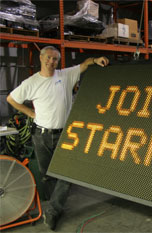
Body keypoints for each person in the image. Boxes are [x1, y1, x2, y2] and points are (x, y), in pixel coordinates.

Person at [7, 46, 109, 231]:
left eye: (55, 59)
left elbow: (84, 64)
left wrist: (95, 60)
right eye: (48, 58)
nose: (51, 62)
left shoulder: (66, 75)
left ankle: (53, 210)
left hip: (65, 134)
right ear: (41, 57)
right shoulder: (31, 82)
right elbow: (11, 99)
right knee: (47, 176)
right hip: (42, 136)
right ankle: (55, 203)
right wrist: (30, 112)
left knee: (67, 173)